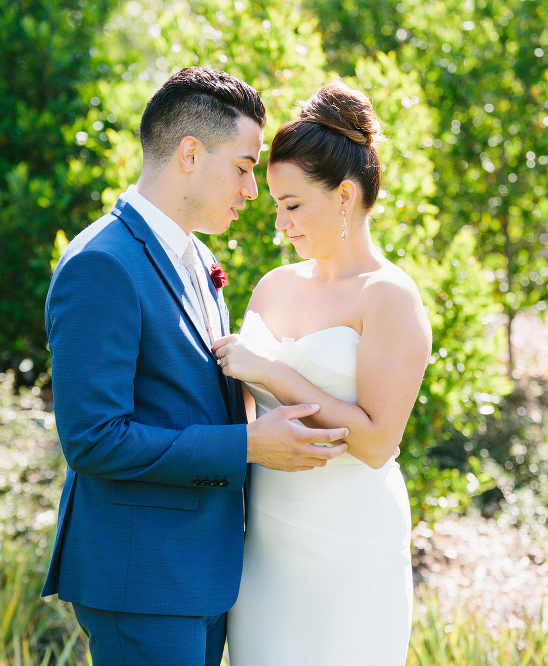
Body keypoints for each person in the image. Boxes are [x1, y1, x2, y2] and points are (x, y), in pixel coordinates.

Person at [41, 67, 350, 666]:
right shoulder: (100, 264)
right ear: (190, 154)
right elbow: (93, 440)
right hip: (142, 577)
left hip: (200, 568)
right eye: (243, 166)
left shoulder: (196, 255)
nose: (252, 189)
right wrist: (249, 446)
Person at [216, 81, 432, 665]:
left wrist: (274, 373)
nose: (280, 226)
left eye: (292, 206)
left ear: (343, 197)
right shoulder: (273, 286)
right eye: (275, 207)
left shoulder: (389, 296)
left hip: (349, 539)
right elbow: (237, 412)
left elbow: (377, 442)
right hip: (264, 534)